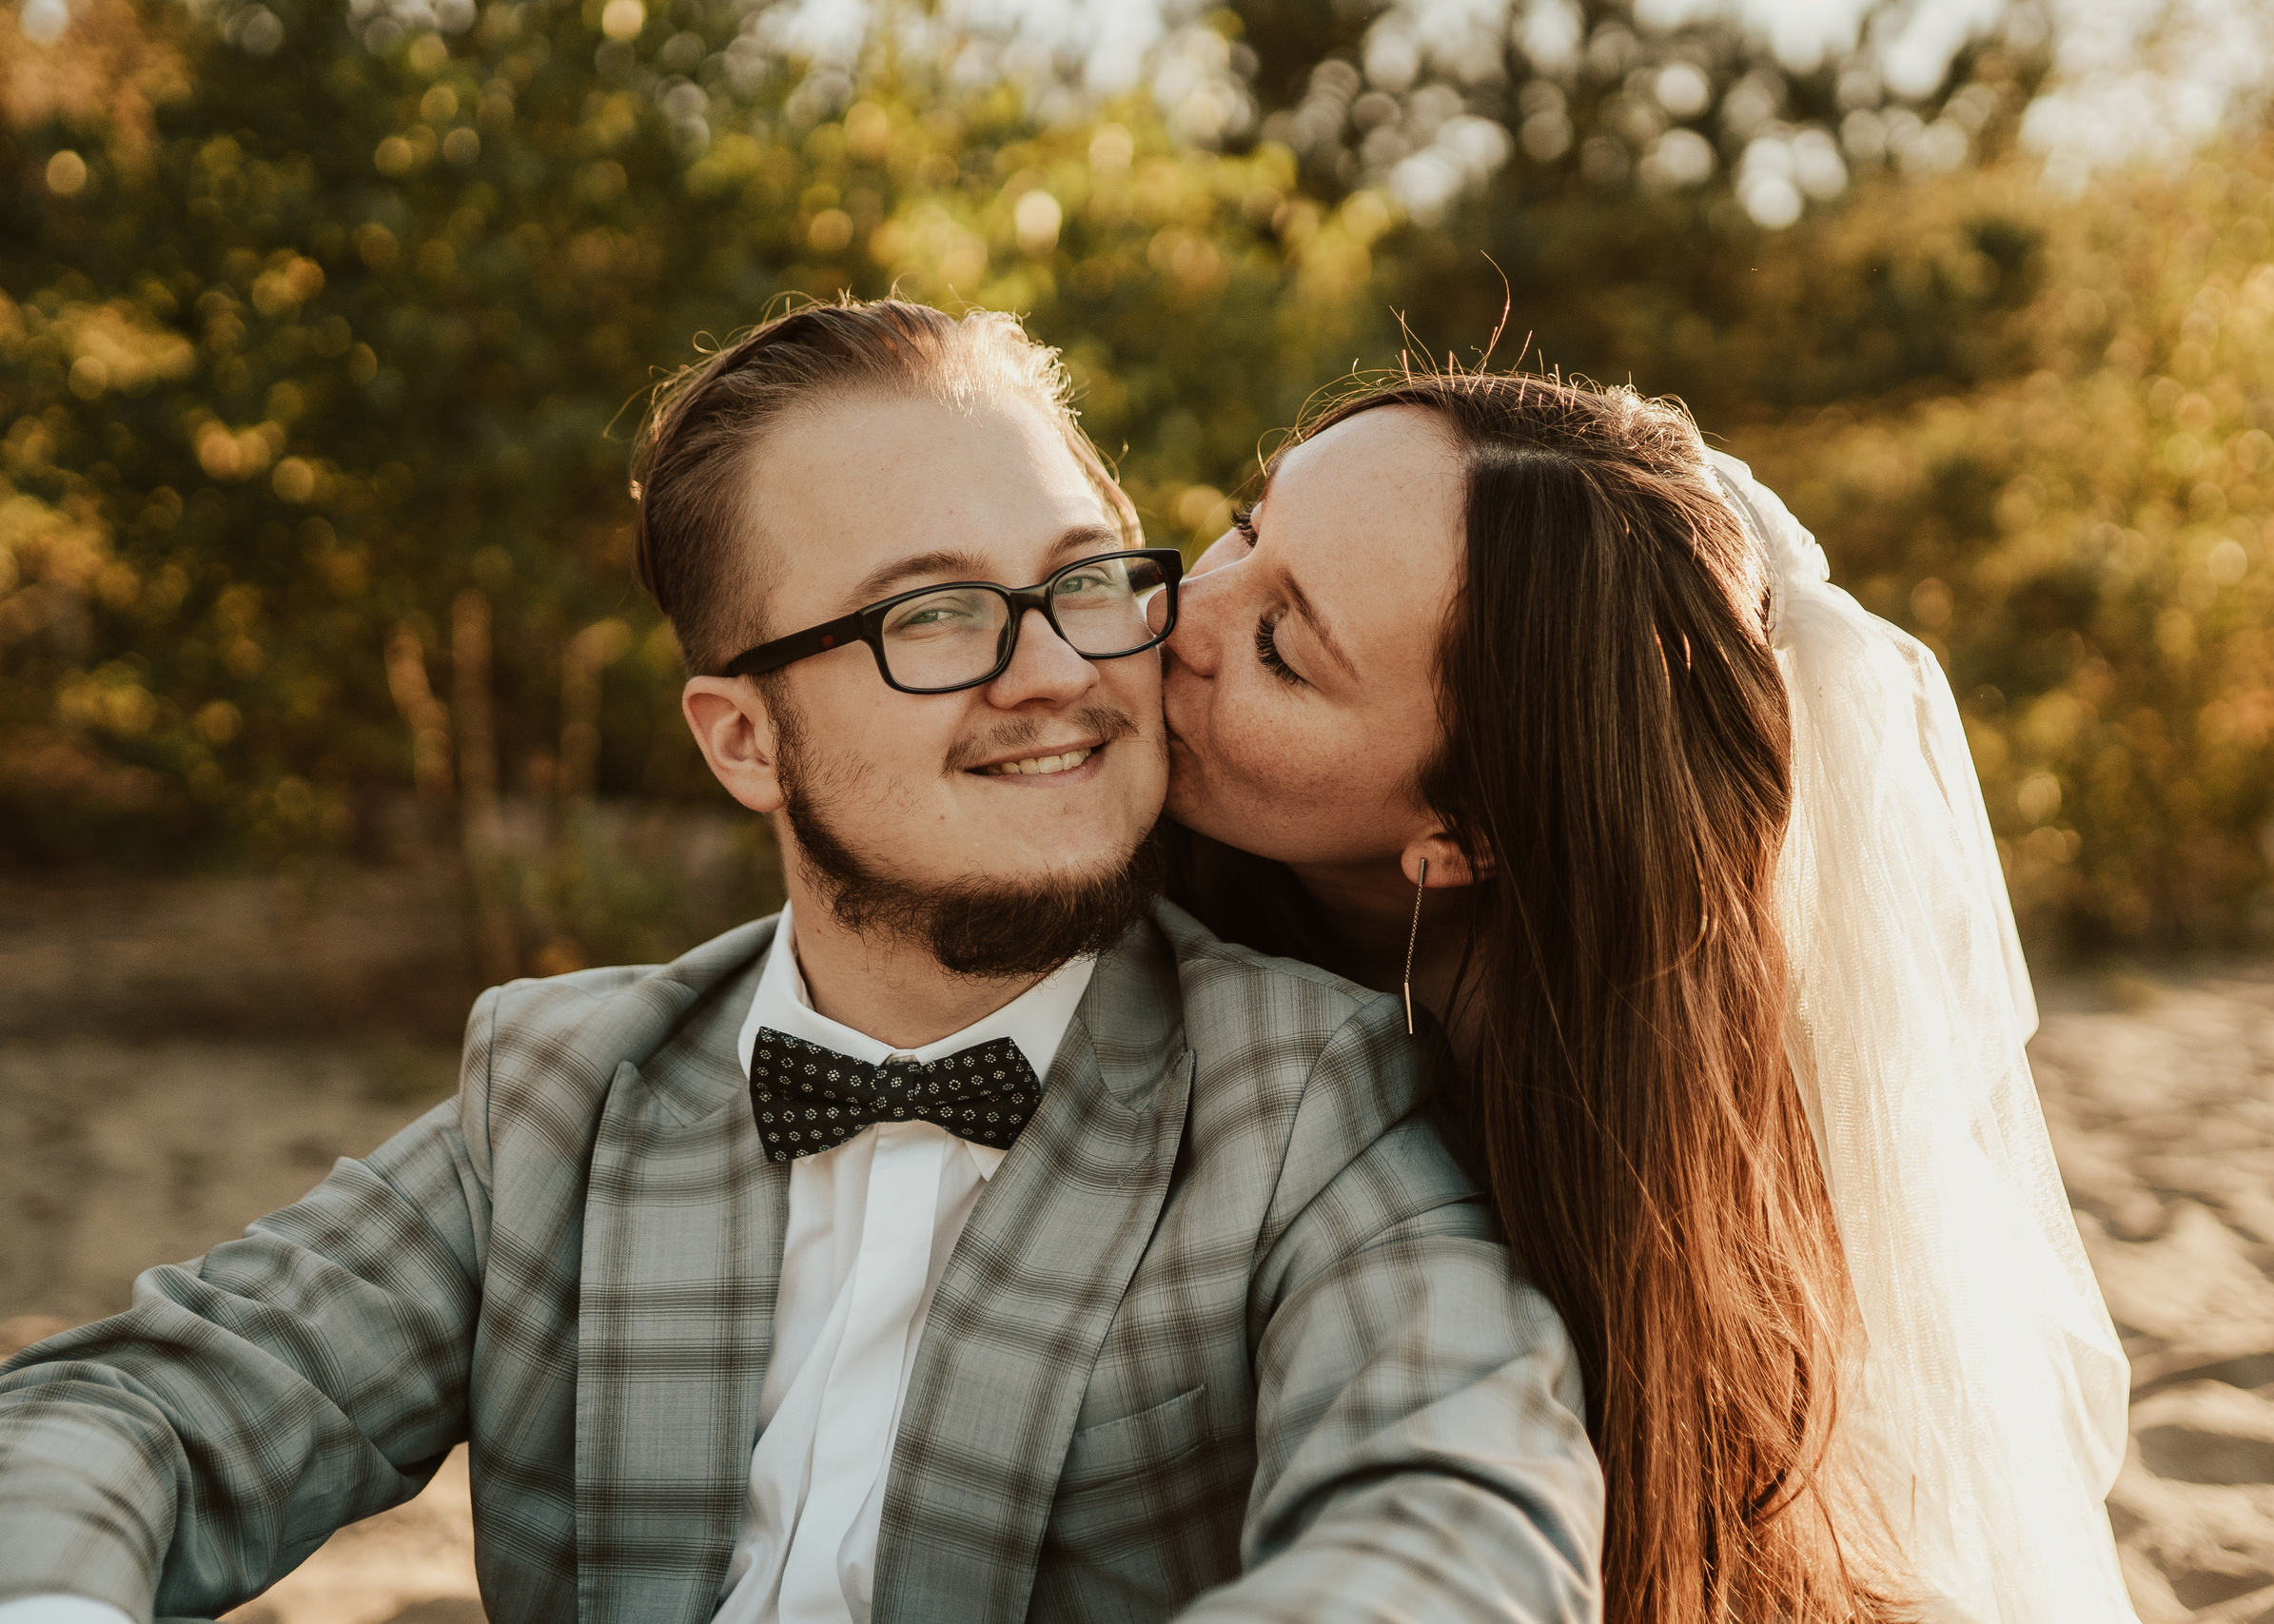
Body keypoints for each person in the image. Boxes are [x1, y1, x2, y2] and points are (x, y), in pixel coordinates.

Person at [0, 303, 1603, 1624]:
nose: (1055, 671)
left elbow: (1455, 1527)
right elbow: (138, 1410)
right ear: (744, 740)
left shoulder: (1318, 1101)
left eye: (1079, 580)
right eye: (933, 616)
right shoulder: (557, 1088)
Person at [1161, 370, 2138, 1624]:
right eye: (1246, 528)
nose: (1175, 612)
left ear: (1463, 835)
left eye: (1280, 648)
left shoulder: (1615, 1213)